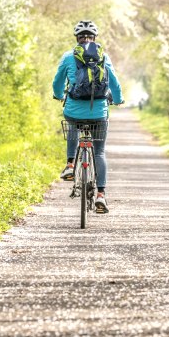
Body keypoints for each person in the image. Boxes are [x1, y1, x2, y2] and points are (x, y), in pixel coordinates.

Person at [53, 20, 123, 214]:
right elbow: (114, 84)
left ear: (77, 38)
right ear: (94, 39)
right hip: (99, 113)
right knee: (99, 152)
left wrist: (59, 95)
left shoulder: (68, 57)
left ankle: (69, 164)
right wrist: (118, 100)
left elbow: (58, 82)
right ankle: (101, 194)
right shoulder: (103, 57)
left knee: (73, 124)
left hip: (74, 110)